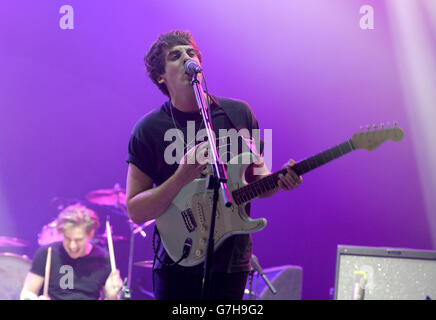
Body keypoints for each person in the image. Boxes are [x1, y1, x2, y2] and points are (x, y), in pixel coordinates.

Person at [125, 30, 302, 300]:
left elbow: (259, 179)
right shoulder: (148, 129)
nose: (187, 57)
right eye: (176, 55)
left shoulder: (239, 113)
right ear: (161, 76)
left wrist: (279, 182)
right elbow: (136, 210)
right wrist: (182, 176)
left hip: (231, 261)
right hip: (177, 258)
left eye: (191, 52)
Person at [20, 204, 123, 300]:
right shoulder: (46, 254)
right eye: (68, 239)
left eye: (78, 240)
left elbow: (109, 297)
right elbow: (27, 292)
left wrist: (111, 296)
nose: (72, 246)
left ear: (90, 234)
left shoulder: (103, 259)